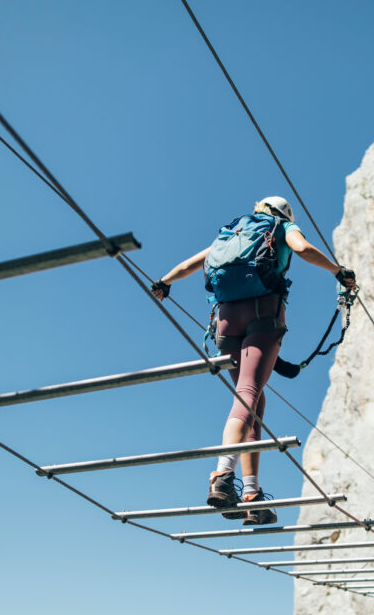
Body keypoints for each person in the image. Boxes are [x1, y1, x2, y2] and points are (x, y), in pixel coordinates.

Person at [150, 196, 357, 525]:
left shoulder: (234, 230)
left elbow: (194, 263)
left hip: (225, 322)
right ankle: (222, 475)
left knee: (254, 404)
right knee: (247, 394)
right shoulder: (281, 227)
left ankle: (251, 495)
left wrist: (164, 281)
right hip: (263, 314)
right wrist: (338, 271)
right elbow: (301, 249)